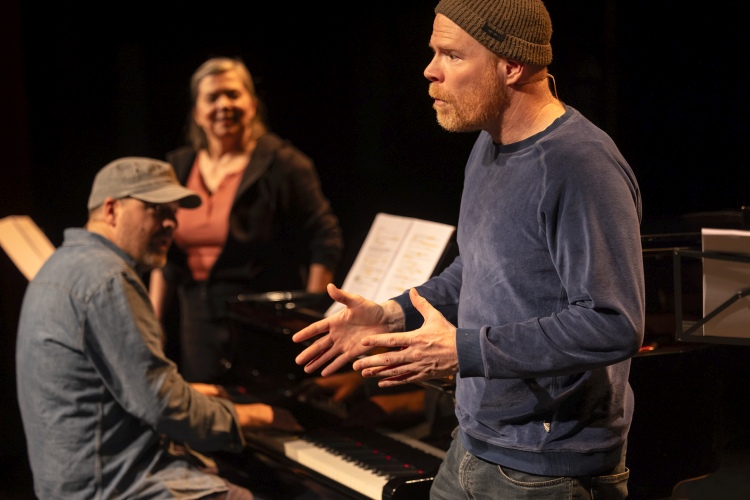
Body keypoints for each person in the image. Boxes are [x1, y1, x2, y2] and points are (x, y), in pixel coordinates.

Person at [293, 0, 645, 498]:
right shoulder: (487, 144)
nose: (430, 70)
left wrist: (463, 350)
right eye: (433, 52)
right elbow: (479, 269)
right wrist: (393, 314)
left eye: (452, 55)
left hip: (546, 470)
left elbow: (613, 323)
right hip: (474, 443)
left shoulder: (580, 164)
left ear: (511, 65)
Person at [15, 157, 302, 500]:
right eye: (157, 210)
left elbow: (115, 390)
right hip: (109, 486)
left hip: (73, 479)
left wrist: (191, 393)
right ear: (112, 210)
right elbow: (162, 406)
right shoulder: (108, 278)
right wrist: (254, 414)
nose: (171, 224)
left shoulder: (60, 265)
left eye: (174, 213)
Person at [149, 56, 344, 385]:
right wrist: (153, 321)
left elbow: (325, 237)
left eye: (233, 94)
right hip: (197, 319)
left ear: (252, 105)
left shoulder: (284, 164)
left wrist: (307, 316)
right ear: (197, 111)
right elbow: (163, 251)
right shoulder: (178, 167)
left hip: (260, 323)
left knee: (263, 409)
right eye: (212, 97)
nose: (224, 105)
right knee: (206, 406)